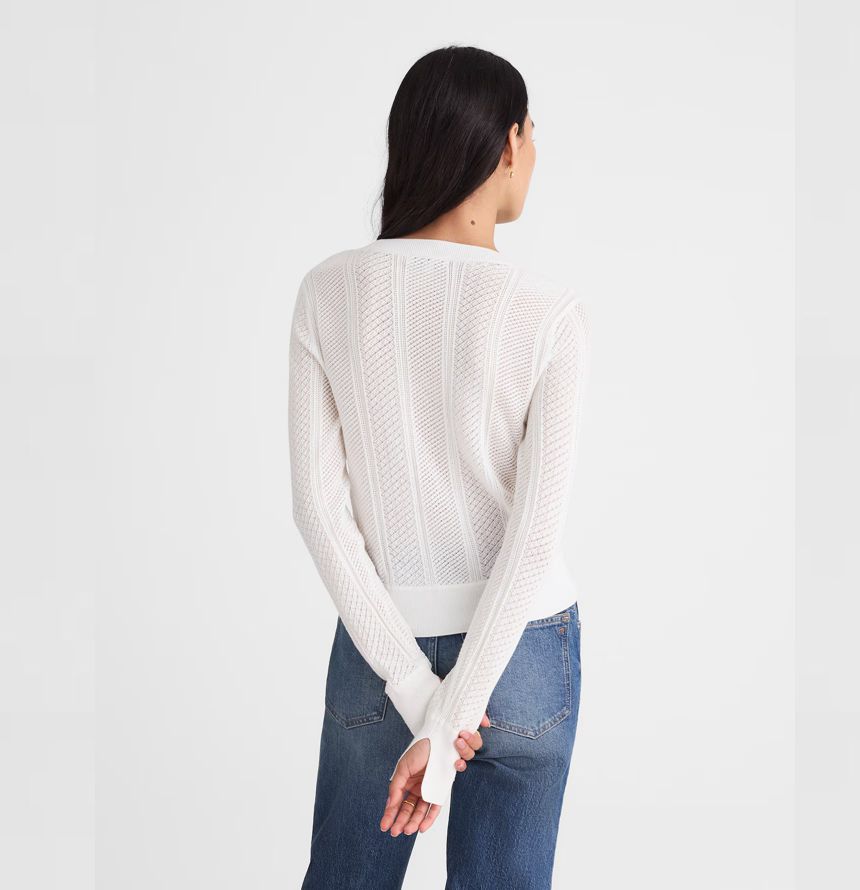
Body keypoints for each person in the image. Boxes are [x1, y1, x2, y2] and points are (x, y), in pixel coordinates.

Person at [288, 44, 591, 890]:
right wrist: (452, 714)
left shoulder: (328, 291)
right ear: (508, 142)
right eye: (533, 135)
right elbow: (532, 540)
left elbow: (317, 509)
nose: (534, 155)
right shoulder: (549, 312)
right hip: (524, 656)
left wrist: (420, 698)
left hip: (379, 646)